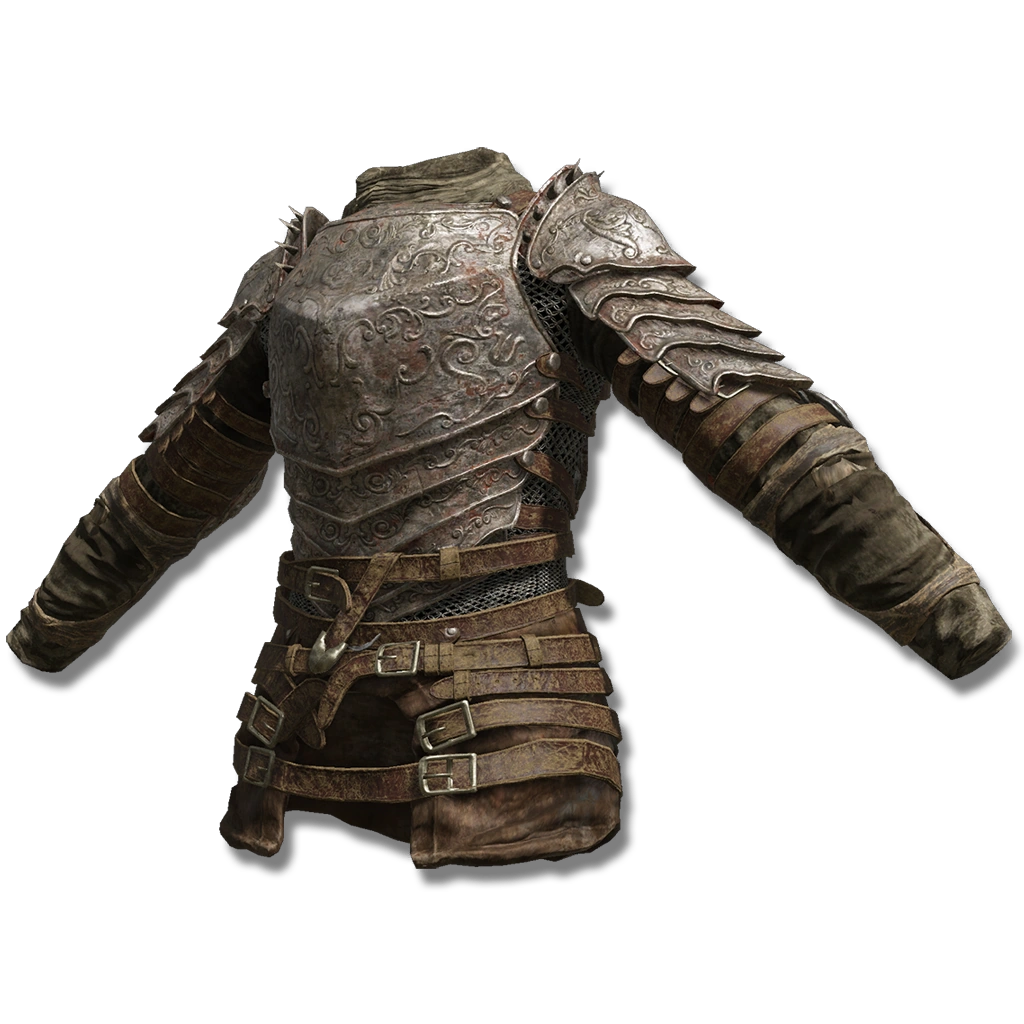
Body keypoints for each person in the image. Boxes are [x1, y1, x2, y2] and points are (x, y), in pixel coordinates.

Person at [6, 148, 1012, 869]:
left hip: (396, 742)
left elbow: (158, 502)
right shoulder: (506, 245)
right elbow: (779, 451)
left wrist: (41, 640)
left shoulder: (340, 266)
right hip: (402, 745)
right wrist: (953, 621)